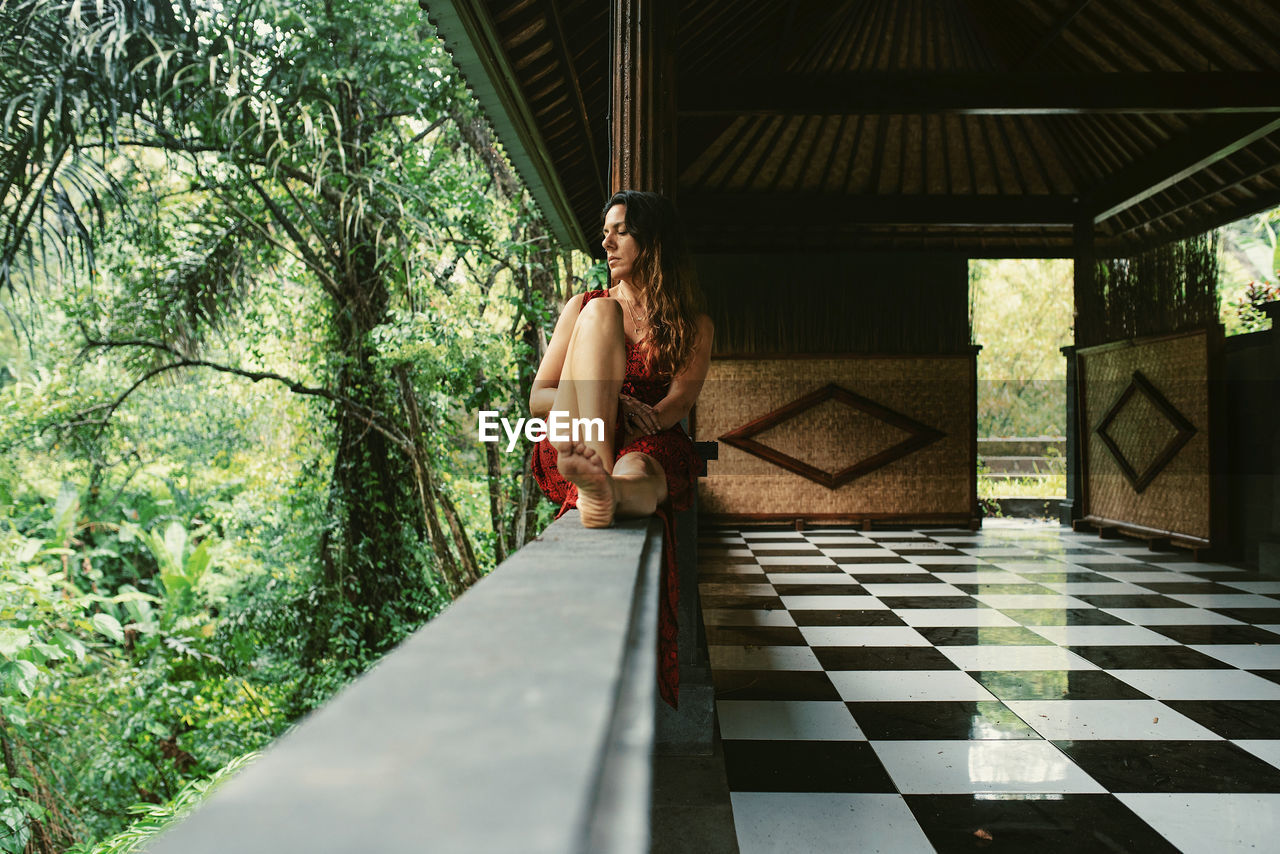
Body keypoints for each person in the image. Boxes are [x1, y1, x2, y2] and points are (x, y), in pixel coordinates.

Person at [529, 190, 713, 707]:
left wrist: (638, 414)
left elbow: (677, 404)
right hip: (577, 433)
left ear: (651, 242)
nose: (605, 241)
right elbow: (539, 397)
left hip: (644, 437)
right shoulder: (586, 307)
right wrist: (610, 404)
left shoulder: (693, 324)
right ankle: (596, 471)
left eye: (620, 230)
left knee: (647, 470)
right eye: (606, 230)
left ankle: (606, 491)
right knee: (604, 315)